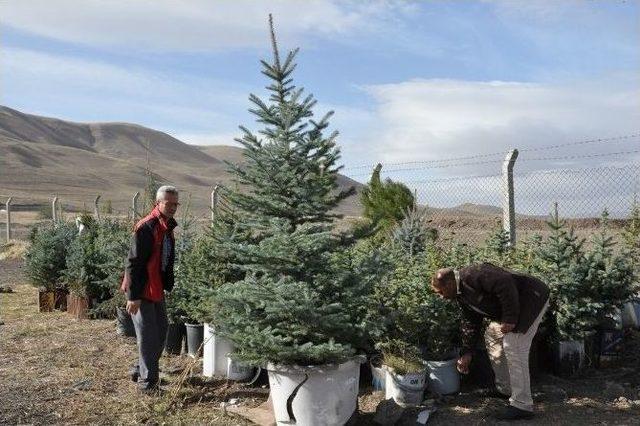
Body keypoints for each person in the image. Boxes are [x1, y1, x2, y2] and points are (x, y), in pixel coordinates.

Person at [431, 262, 549, 421]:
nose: (441, 297)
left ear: (450, 283)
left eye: (441, 292)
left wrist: (510, 319)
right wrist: (467, 353)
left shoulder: (473, 274)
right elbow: (470, 323)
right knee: (492, 335)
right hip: (515, 308)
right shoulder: (461, 295)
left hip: (532, 299)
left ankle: (522, 405)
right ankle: (506, 389)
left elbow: (505, 282)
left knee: (514, 345)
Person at [121, 185, 179, 393]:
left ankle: (140, 369)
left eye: (175, 204)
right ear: (158, 203)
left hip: (156, 289)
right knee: (147, 336)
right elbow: (133, 263)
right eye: (168, 203)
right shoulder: (147, 227)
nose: (172, 207)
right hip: (141, 290)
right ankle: (148, 384)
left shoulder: (167, 226)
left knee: (162, 330)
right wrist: (133, 296)